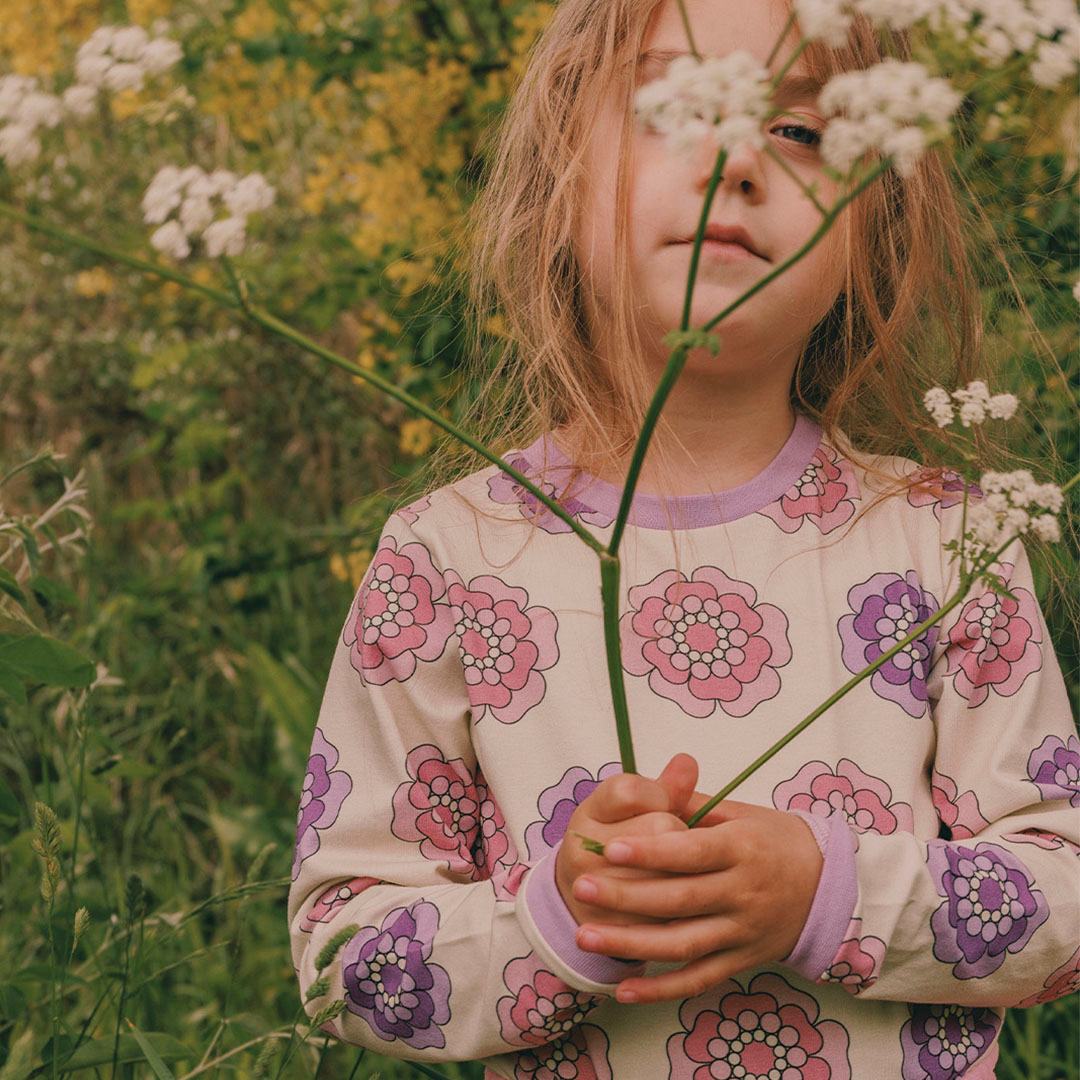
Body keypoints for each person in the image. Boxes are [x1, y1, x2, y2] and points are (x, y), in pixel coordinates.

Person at [286, 0, 1080, 1076]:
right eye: (675, 101)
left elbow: (1064, 905)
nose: (738, 157)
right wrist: (560, 928)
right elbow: (344, 954)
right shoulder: (445, 556)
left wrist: (826, 892)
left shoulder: (954, 542)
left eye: (802, 129)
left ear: (872, 224)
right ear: (559, 173)